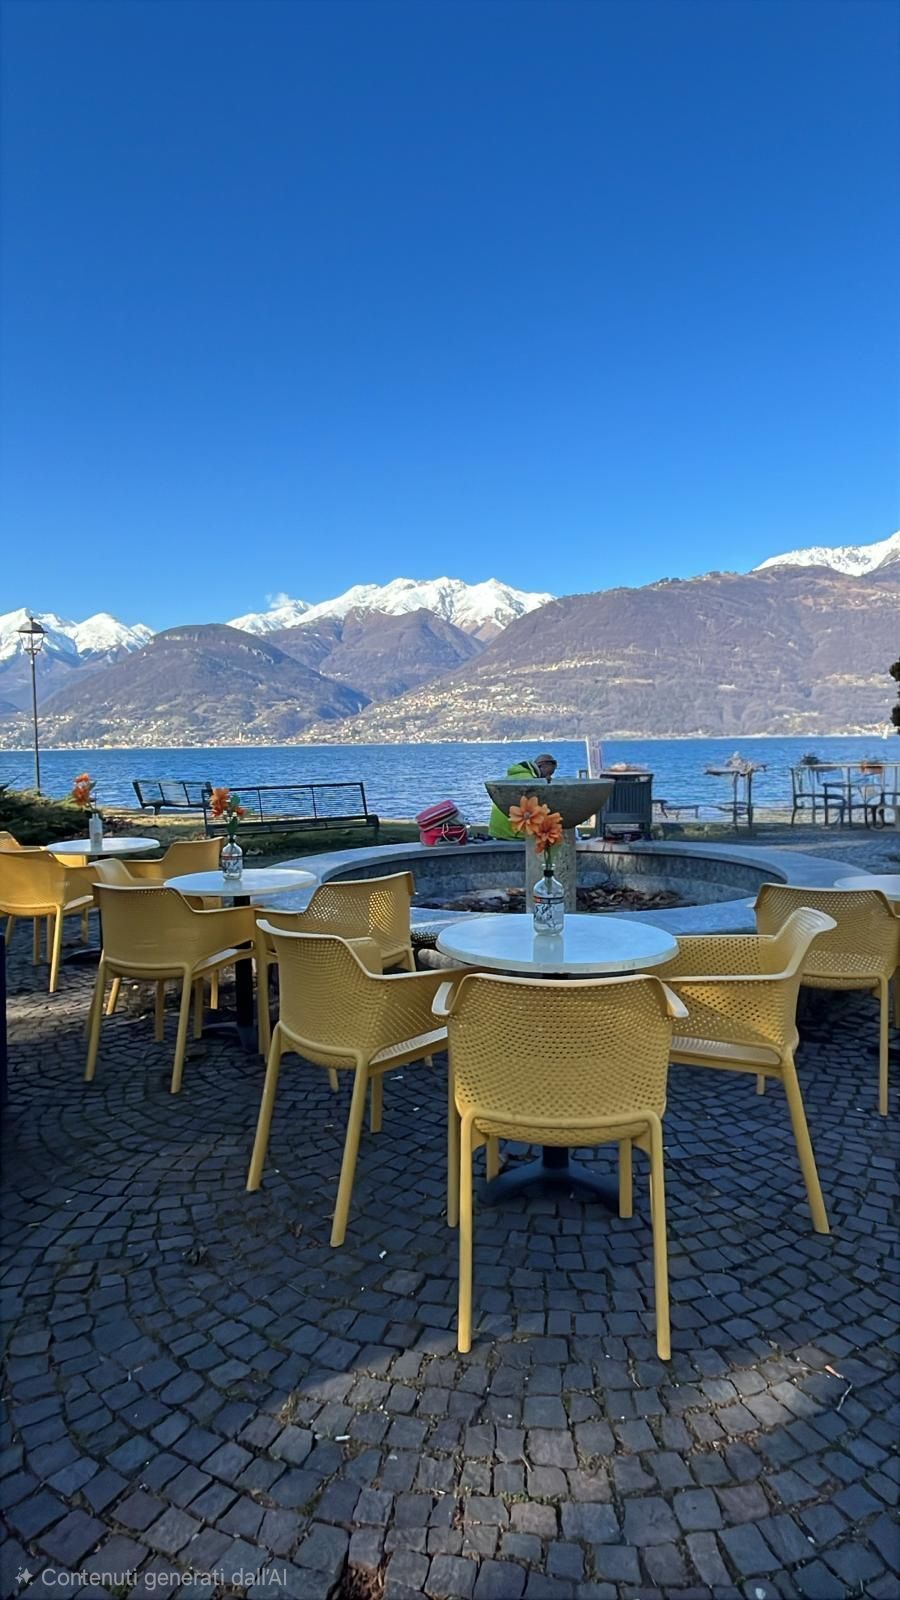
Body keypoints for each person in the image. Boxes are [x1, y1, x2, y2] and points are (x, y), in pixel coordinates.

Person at [489, 752, 558, 840]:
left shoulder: (515, 776)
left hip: (497, 831)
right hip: (513, 833)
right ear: (541, 766)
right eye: (548, 773)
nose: (548, 778)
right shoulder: (530, 781)